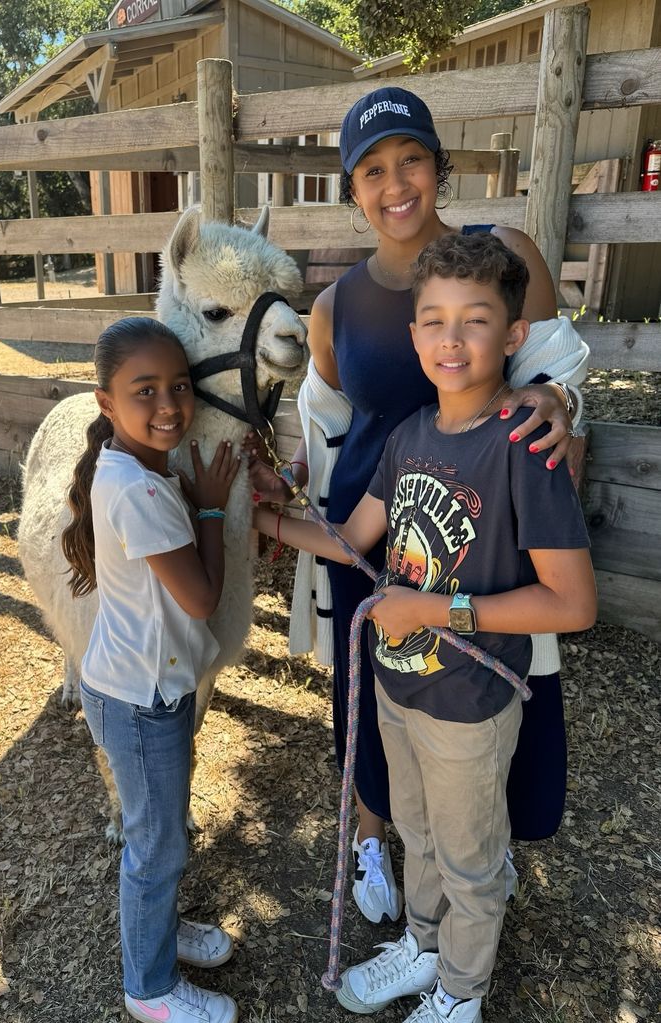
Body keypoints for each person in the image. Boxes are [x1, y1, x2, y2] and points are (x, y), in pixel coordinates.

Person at [249, 85, 589, 924]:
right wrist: (279, 490)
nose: (394, 184)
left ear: (437, 166)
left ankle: (478, 851)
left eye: (410, 160)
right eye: (371, 170)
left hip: (481, 539)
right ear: (351, 188)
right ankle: (372, 836)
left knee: (479, 697)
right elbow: (323, 421)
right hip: (374, 539)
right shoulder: (334, 308)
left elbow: (554, 371)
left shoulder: (503, 256)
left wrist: (561, 401)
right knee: (378, 705)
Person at [61, 317, 242, 1023]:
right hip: (139, 700)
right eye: (145, 391)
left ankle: (158, 933)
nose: (169, 405)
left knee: (161, 830)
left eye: (179, 386)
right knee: (155, 844)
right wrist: (209, 510)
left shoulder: (132, 467)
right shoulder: (139, 489)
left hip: (138, 689)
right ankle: (150, 988)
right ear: (106, 404)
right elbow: (198, 599)